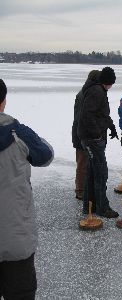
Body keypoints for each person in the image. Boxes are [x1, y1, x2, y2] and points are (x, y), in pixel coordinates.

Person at [0, 79, 54, 299]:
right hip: (15, 241)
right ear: (3, 101)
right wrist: (36, 139)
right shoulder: (17, 132)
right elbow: (46, 155)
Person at [77, 67, 119, 218]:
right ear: (107, 81)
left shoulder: (98, 90)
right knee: (101, 172)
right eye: (111, 83)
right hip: (92, 139)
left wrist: (111, 127)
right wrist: (96, 134)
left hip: (92, 138)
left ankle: (90, 205)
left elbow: (102, 114)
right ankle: (102, 207)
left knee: (93, 172)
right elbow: (87, 115)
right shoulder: (96, 91)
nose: (111, 86)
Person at [72, 70, 100, 200]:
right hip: (82, 134)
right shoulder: (85, 94)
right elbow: (83, 117)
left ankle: (86, 188)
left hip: (83, 133)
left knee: (87, 162)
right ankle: (80, 190)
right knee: (83, 163)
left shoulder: (85, 92)